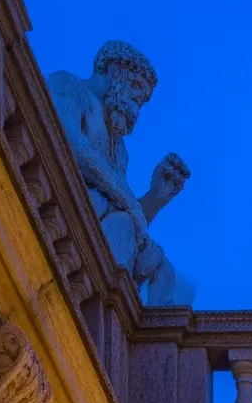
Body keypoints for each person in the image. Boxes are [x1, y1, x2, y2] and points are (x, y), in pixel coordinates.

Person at [48, 41, 194, 307]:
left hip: (103, 224)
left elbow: (123, 210)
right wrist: (130, 205)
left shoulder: (120, 149)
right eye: (136, 87)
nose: (137, 104)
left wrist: (155, 198)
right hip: (66, 208)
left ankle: (141, 338)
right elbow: (70, 144)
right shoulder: (69, 86)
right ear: (113, 69)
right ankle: (105, 313)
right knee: (126, 225)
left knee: (172, 278)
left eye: (142, 100)